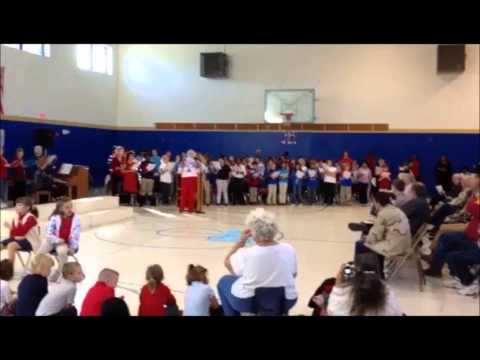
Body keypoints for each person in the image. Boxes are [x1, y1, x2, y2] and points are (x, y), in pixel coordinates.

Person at [217, 208, 298, 316]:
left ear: (253, 233)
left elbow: (227, 262)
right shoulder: (289, 249)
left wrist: (240, 242)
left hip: (250, 302)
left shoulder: (247, 253)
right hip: (285, 299)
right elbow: (293, 274)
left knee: (223, 282)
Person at [354, 192, 411, 277]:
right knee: (375, 244)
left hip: (394, 246)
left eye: (374, 202)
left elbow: (375, 235)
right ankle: (379, 271)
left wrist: (366, 238)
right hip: (404, 243)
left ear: (377, 202)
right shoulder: (396, 210)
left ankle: (359, 273)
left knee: (360, 244)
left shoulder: (383, 214)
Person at [327, 254, 403, 316]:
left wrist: (338, 287)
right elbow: (398, 313)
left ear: (355, 272)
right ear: (378, 271)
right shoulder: (388, 295)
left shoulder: (343, 298)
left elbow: (331, 311)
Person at [41, 196, 81, 281]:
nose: (70, 209)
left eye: (71, 207)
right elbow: (48, 234)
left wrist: (72, 247)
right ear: (61, 209)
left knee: (62, 252)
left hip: (65, 243)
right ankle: (36, 271)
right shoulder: (54, 218)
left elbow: (75, 235)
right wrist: (57, 240)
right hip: (53, 240)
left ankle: (58, 273)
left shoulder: (76, 218)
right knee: (40, 252)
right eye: (67, 207)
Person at [0, 197, 41, 266]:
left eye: (19, 205)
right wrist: (14, 234)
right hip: (18, 239)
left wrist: (11, 228)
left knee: (11, 245)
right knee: (1, 244)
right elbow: (12, 234)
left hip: (31, 241)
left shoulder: (31, 218)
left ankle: (9, 269)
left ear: (27, 208)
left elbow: (22, 232)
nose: (16, 207)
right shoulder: (15, 217)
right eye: (16, 205)